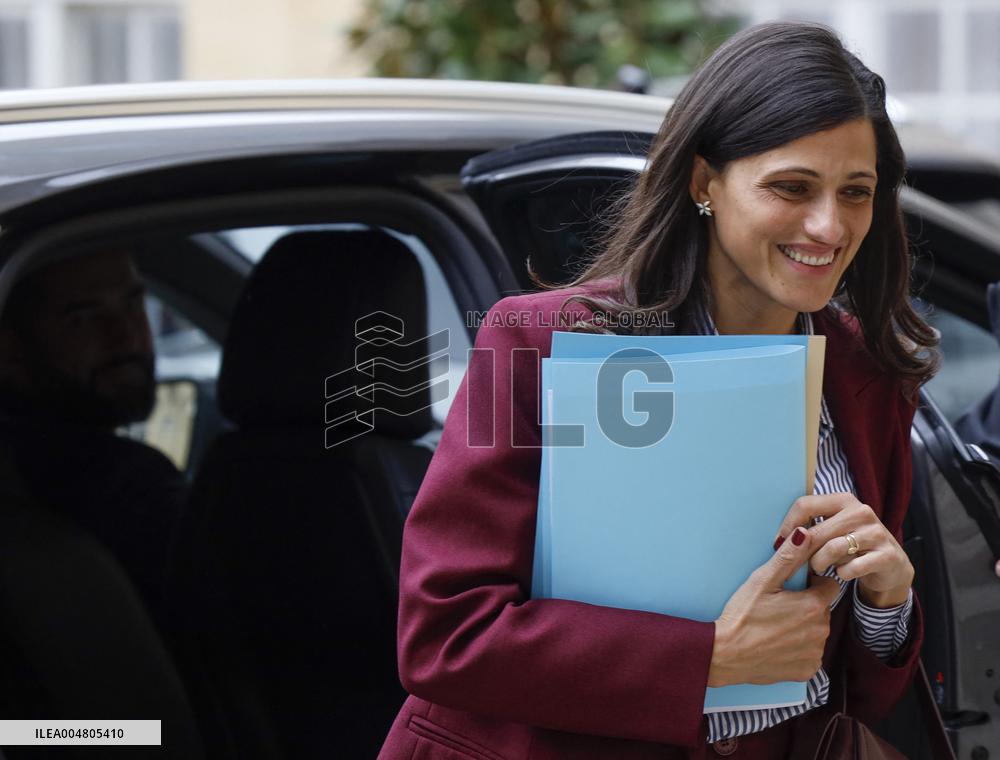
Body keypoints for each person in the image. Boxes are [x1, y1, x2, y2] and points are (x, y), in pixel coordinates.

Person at [379, 22, 939, 759]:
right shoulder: (538, 346)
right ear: (705, 182)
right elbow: (446, 635)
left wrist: (886, 604)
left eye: (856, 192)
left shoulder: (865, 376)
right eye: (791, 187)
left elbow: (855, 695)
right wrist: (709, 657)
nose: (829, 225)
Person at [0, 247, 185, 623]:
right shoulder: (130, 488)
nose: (127, 338)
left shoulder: (16, 465)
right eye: (83, 317)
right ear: (10, 350)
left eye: (134, 304)